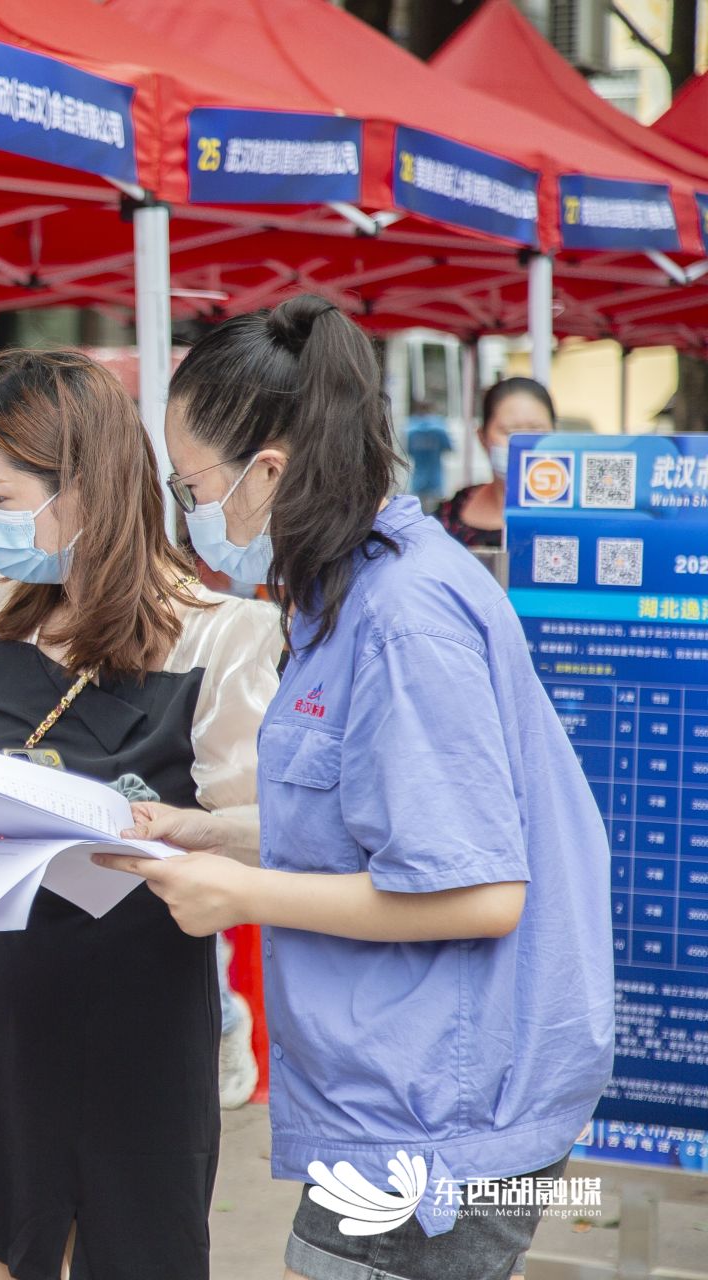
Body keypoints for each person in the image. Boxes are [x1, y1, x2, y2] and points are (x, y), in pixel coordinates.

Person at [94, 296, 612, 1280]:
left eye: (189, 482)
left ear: (270, 471)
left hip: (454, 1107)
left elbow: (479, 891)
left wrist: (238, 897)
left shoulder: (403, 618)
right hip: (408, 1089)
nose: (187, 509)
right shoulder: (350, 591)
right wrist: (207, 834)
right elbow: (364, 827)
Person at [0, 349, 282, 1280]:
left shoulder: (223, 634)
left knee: (133, 1251)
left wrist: (162, 833)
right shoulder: (3, 612)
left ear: (81, 490)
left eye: (5, 495)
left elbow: (263, 837)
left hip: (139, 1012)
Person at [433, 377, 555, 549]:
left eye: (535, 430)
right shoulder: (449, 515)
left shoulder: (576, 516)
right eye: (509, 431)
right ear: (482, 437)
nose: (521, 443)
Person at [402, 395, 452, 511]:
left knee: (419, 508)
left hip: (418, 476)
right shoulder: (439, 427)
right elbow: (448, 447)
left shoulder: (410, 428)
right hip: (435, 474)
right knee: (436, 509)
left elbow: (408, 450)